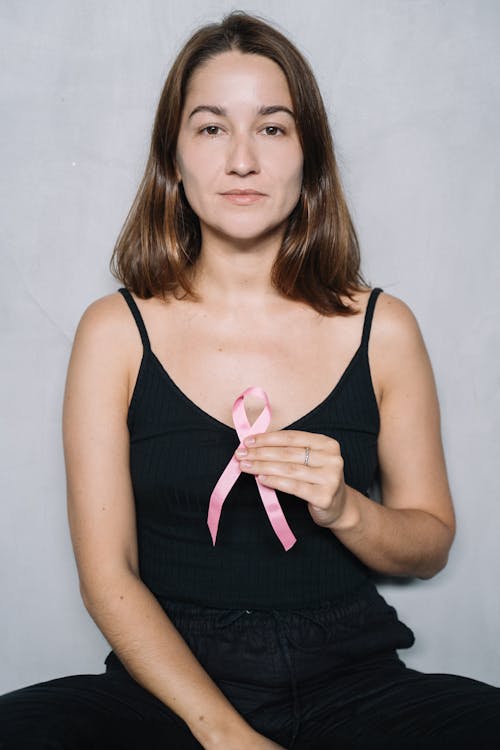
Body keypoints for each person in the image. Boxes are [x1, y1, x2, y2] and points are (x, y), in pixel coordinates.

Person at [1, 9, 499, 750]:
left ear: (310, 157)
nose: (242, 159)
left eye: (272, 127)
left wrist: (346, 510)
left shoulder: (383, 328)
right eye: (210, 128)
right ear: (173, 158)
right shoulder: (114, 333)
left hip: (354, 682)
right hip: (166, 691)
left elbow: (429, 543)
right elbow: (109, 576)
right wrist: (226, 736)